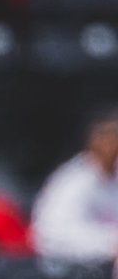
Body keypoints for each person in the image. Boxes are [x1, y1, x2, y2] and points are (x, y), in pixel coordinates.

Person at [32, 110, 118, 264]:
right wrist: (107, 243)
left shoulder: (114, 177)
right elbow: (51, 235)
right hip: (70, 270)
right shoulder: (73, 181)